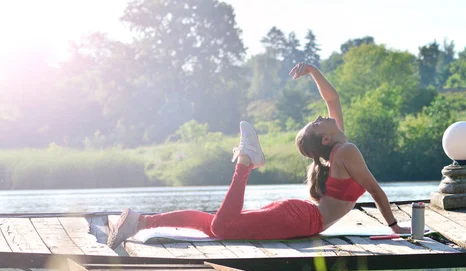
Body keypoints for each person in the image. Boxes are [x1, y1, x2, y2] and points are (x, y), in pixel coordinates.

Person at [107, 62, 408, 249]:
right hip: (303, 219)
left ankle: (141, 221)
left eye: (318, 118)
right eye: (317, 121)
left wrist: (313, 70)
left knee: (215, 226)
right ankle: (245, 161)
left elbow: (333, 98)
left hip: (300, 215)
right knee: (222, 227)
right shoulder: (344, 150)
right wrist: (395, 228)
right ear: (326, 137)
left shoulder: (339, 150)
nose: (321, 115)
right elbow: (375, 190)